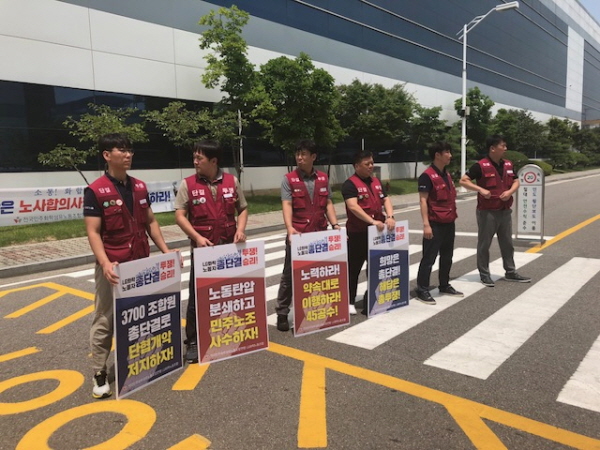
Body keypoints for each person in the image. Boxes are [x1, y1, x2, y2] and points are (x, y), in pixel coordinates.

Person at [84, 133, 171, 399]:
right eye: (121, 150)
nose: (128, 155)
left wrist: (166, 252)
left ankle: (135, 359)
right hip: (114, 266)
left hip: (140, 264)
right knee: (105, 319)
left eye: (130, 150)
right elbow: (93, 232)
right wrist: (105, 263)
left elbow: (151, 222)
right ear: (107, 155)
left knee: (139, 314)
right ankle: (99, 372)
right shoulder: (96, 190)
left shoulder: (140, 187)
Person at [174, 140, 248, 362]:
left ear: (213, 161)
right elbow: (179, 215)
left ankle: (229, 332)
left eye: (199, 158)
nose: (195, 162)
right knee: (197, 296)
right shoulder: (188, 184)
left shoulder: (231, 181)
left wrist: (241, 230)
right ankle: (194, 341)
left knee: (229, 292)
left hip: (228, 249)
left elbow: (242, 209)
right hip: (204, 250)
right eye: (194, 157)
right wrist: (197, 237)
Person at [275, 139, 340, 331]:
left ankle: (315, 308)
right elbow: (286, 205)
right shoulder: (289, 179)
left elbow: (328, 203)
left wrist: (335, 224)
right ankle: (282, 312)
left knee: (318, 272)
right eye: (297, 154)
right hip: (299, 234)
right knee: (289, 275)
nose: (300, 158)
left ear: (313, 157)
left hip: (319, 233)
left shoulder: (323, 178)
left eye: (304, 154)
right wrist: (289, 229)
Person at [459, 134, 531, 287]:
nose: (505, 148)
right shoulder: (480, 165)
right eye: (502, 146)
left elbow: (517, 181)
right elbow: (463, 180)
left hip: (505, 211)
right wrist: (480, 190)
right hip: (487, 212)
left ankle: (510, 272)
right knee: (484, 244)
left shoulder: (508, 165)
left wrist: (510, 192)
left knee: (507, 243)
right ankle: (484, 274)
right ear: (493, 148)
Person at [342, 150, 395, 314]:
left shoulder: (376, 182)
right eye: (367, 164)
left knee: (376, 267)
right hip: (358, 232)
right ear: (357, 166)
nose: (371, 166)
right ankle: (349, 301)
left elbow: (385, 199)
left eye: (372, 163)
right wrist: (372, 221)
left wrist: (390, 216)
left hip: (377, 233)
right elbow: (353, 206)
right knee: (353, 268)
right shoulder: (350, 184)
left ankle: (371, 297)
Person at [415, 142, 463, 306]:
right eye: (447, 152)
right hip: (434, 223)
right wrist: (426, 224)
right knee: (429, 258)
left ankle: (444, 284)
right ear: (437, 155)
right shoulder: (427, 176)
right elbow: (423, 201)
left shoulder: (447, 174)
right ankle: (422, 289)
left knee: (447, 256)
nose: (450, 155)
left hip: (449, 221)